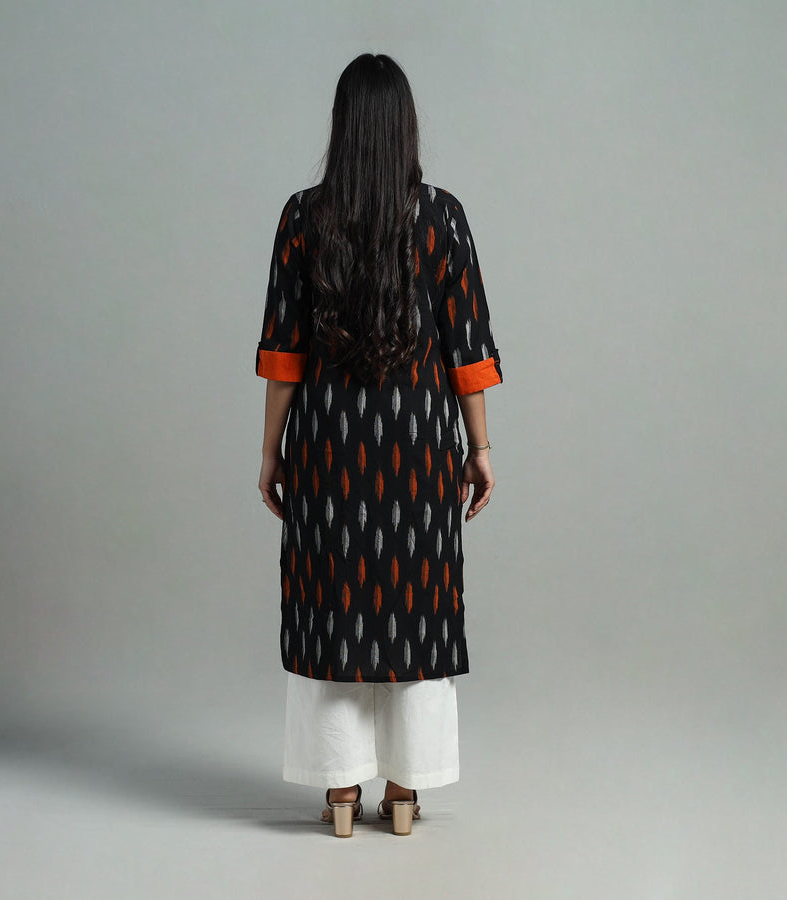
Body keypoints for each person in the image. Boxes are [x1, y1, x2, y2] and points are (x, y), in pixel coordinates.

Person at [255, 53, 503, 837]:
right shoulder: (443, 217)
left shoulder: (303, 217)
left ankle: (338, 794)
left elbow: (284, 352)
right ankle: (403, 793)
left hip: (329, 448)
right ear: (405, 127)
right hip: (419, 447)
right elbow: (468, 348)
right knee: (415, 612)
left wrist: (270, 452)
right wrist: (480, 448)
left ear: (342, 126)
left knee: (332, 609)